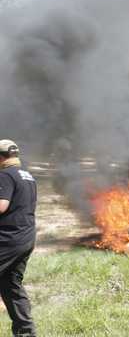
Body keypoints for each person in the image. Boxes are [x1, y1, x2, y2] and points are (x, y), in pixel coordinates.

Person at [0, 140, 37, 337]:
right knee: (11, 286)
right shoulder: (28, 176)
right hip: (26, 238)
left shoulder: (4, 176)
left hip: (8, 239)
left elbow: (2, 206)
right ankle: (26, 333)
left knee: (11, 285)